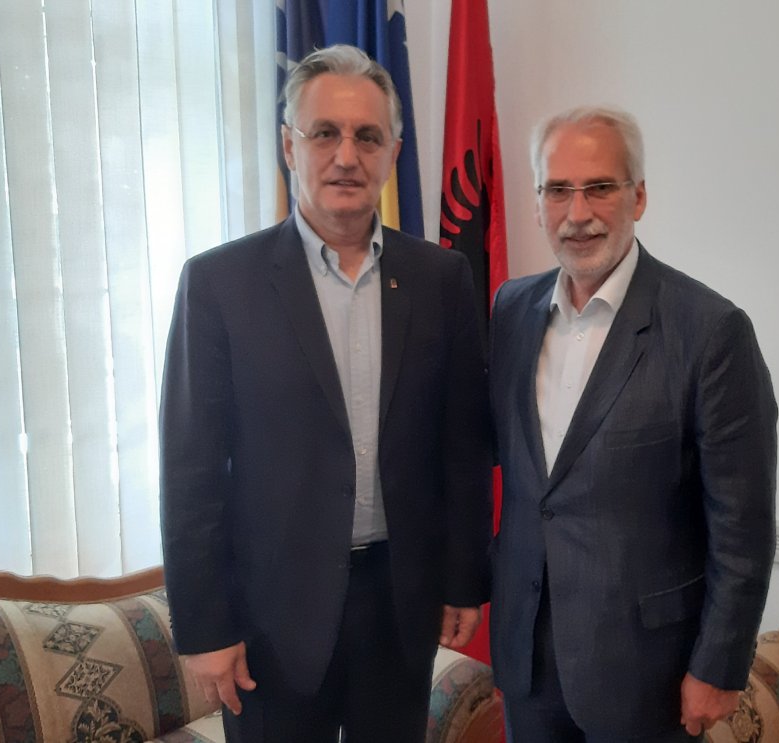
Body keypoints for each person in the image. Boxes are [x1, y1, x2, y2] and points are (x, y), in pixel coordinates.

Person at [159, 44, 492, 743]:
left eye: (367, 136)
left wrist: (465, 578)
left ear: (392, 152)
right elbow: (191, 472)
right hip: (270, 619)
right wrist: (206, 627)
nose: (347, 156)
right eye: (324, 133)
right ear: (290, 145)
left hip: (400, 605)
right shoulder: (219, 285)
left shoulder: (440, 279)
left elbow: (461, 444)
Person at [488, 106, 778, 742]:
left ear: (638, 196)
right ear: (537, 203)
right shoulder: (510, 309)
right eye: (558, 190)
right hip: (527, 659)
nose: (578, 212)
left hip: (647, 674)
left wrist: (719, 665)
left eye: (599, 187)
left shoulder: (711, 331)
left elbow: (743, 525)